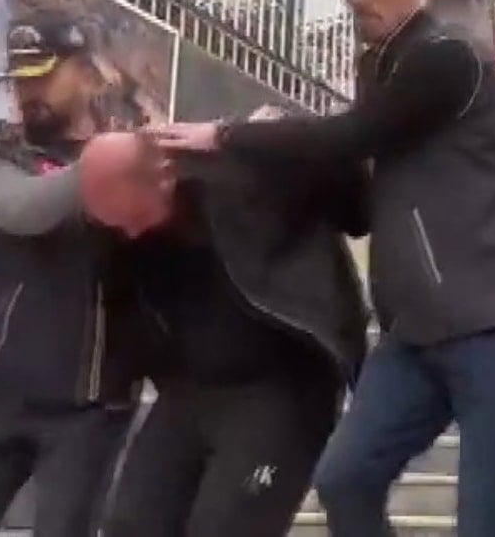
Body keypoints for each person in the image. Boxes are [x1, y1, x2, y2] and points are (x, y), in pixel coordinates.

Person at [150, 0, 495, 536]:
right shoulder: (381, 67)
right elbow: (358, 199)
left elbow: (350, 135)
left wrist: (228, 135)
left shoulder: (446, 55)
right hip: (416, 333)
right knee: (345, 480)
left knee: (489, 522)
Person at [77, 126, 368, 537]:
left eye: (136, 219)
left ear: (165, 175)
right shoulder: (116, 232)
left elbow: (349, 181)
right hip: (187, 389)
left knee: (229, 525)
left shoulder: (246, 177)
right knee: (131, 525)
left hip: (282, 388)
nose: (130, 233)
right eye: (116, 225)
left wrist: (245, 135)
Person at [0, 17, 140, 537]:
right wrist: (109, 163)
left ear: (87, 75)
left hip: (94, 405)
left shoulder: (131, 152)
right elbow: (24, 209)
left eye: (43, 76)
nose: (27, 93)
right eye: (19, 80)